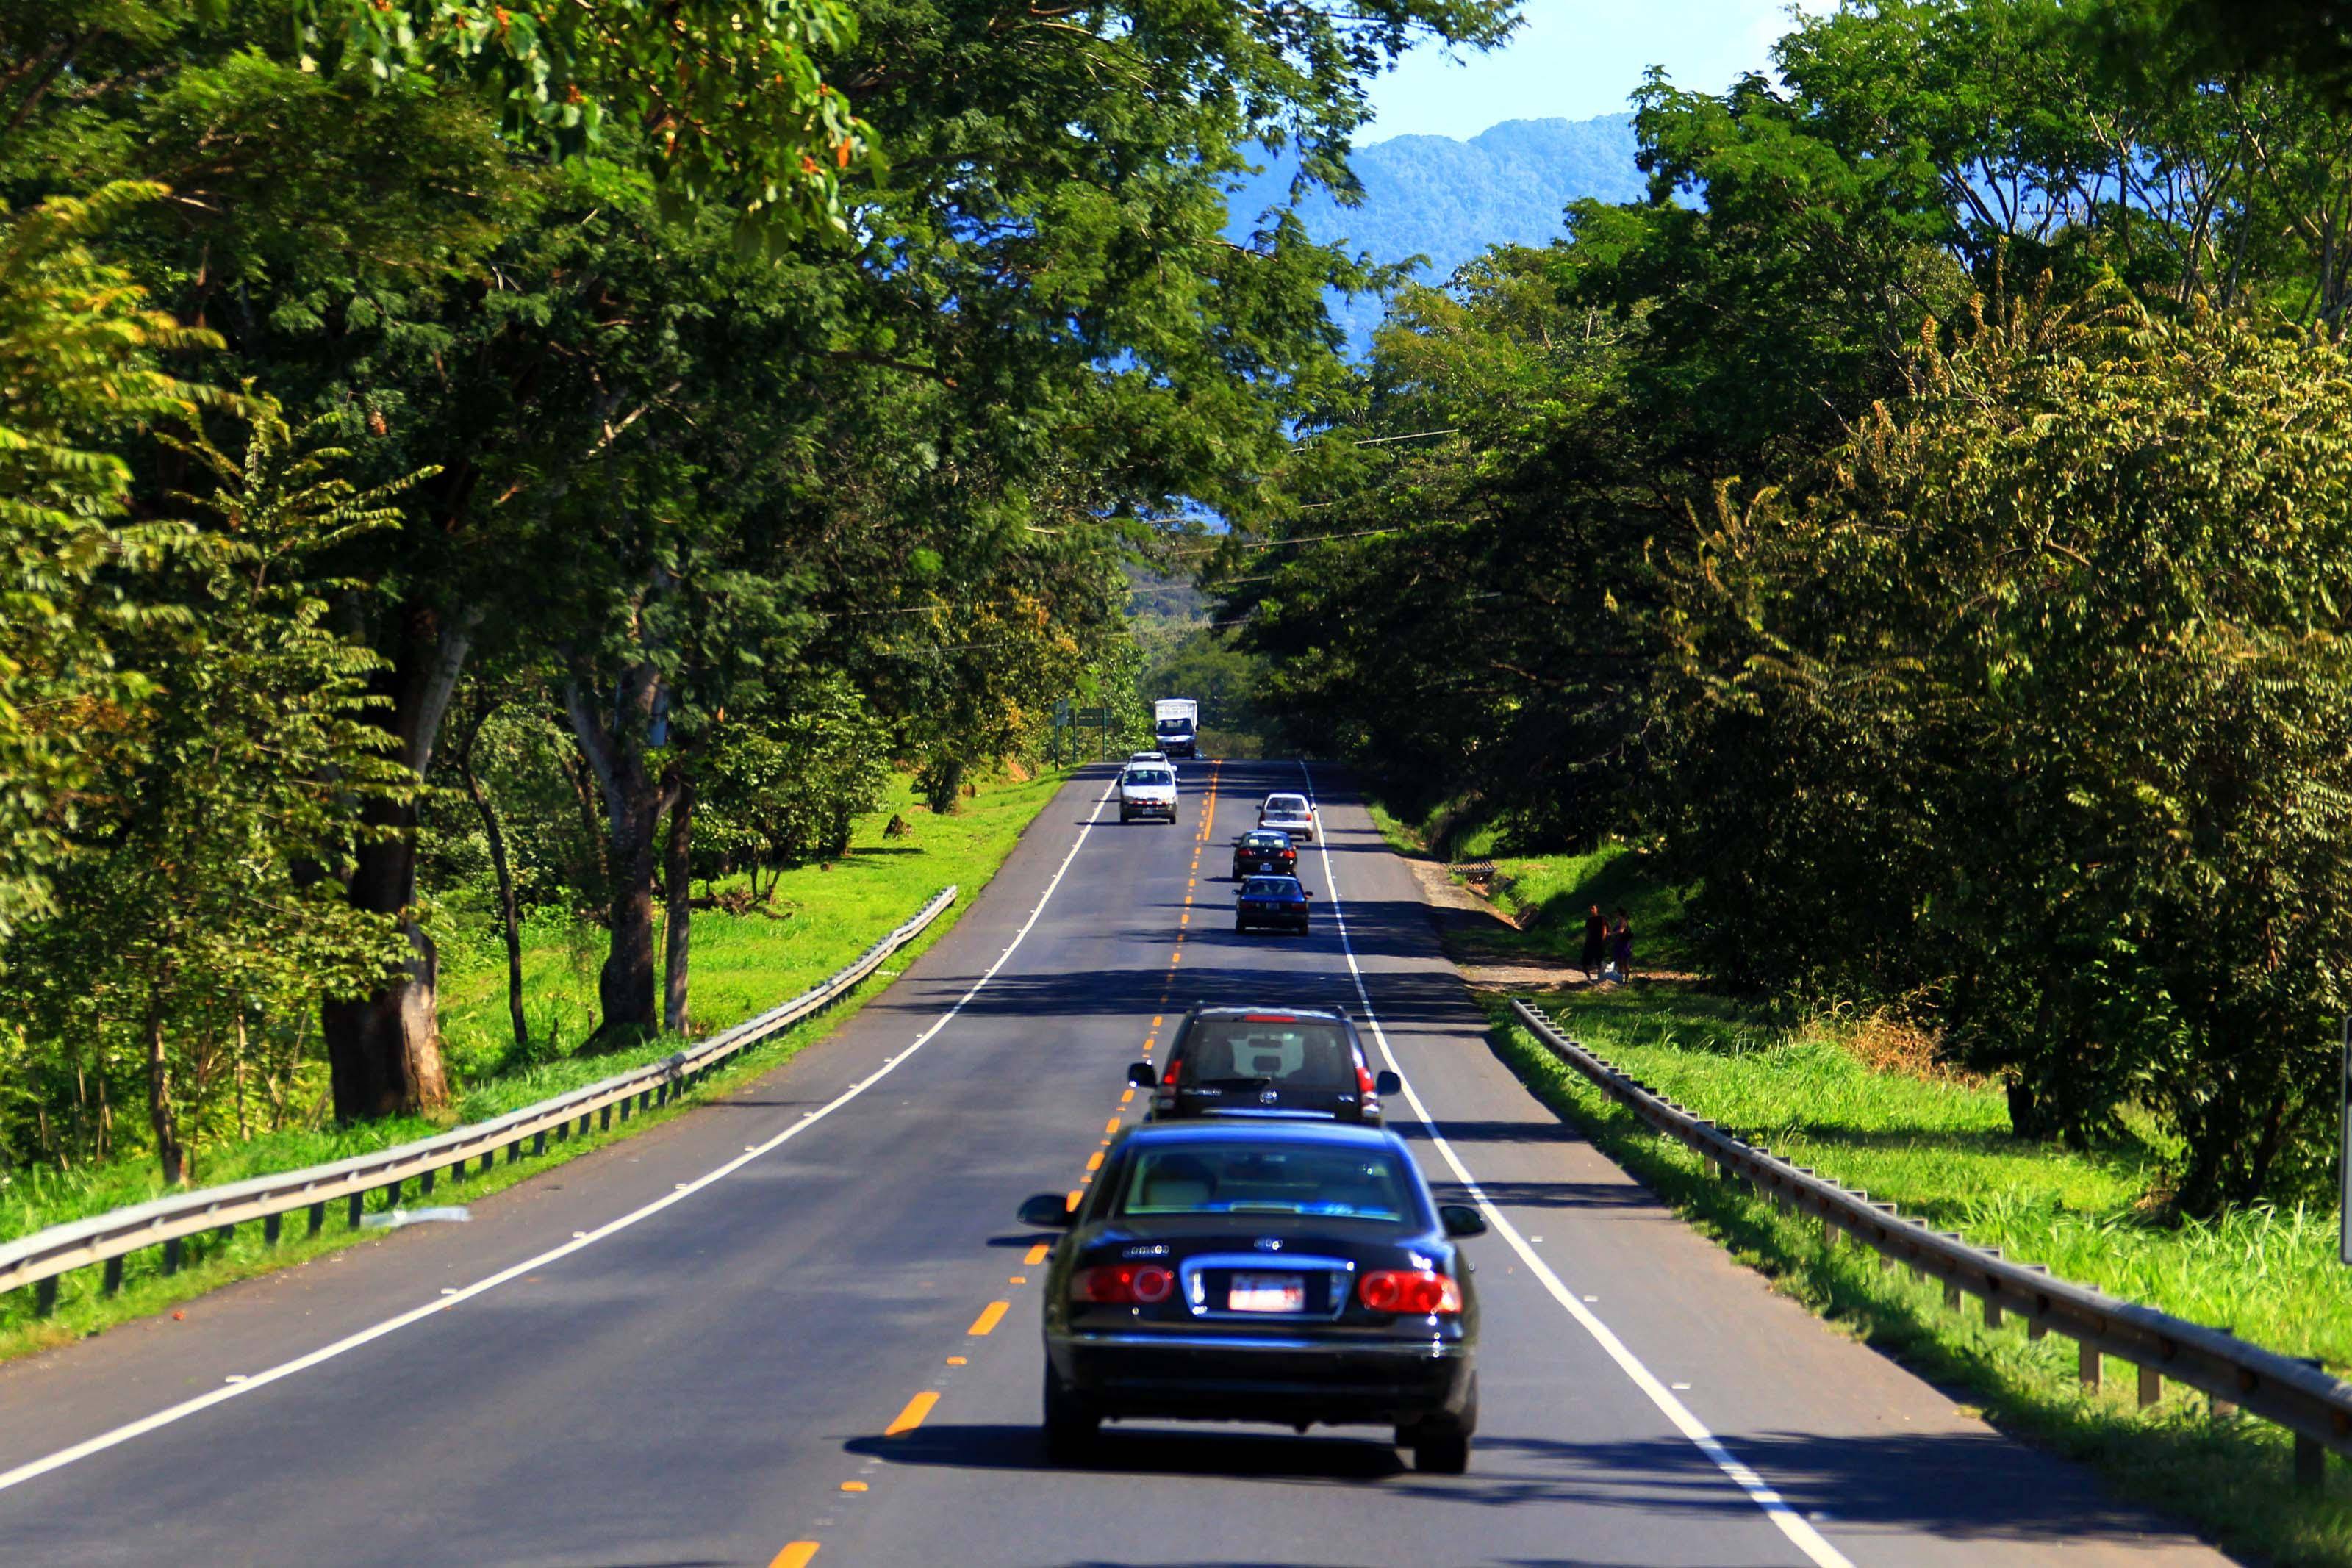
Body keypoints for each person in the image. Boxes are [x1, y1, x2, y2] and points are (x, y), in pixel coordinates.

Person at [1580, 903, 1607, 982]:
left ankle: (1600, 979)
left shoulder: (1601, 918)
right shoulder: (1589, 920)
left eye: (1593, 908)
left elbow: (1604, 930)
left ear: (1597, 909)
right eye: (1591, 908)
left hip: (1599, 943)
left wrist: (1603, 940)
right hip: (1589, 943)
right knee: (1584, 963)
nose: (1591, 910)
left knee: (1599, 962)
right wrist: (1586, 941)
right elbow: (1588, 932)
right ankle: (1589, 978)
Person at [1610, 908, 1635, 983]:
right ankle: (1621, 980)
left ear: (1619, 913)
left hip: (1624, 944)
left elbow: (1621, 931)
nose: (1615, 914)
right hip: (1619, 944)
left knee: (1625, 962)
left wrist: (1611, 934)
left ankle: (1626, 981)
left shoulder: (1623, 921)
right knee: (1620, 962)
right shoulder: (1619, 921)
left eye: (1616, 913)